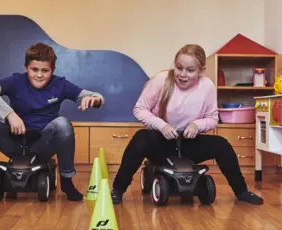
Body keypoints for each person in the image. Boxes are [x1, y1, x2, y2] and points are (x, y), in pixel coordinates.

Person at [110, 44, 264, 205]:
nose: (182, 75)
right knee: (141, 138)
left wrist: (197, 125)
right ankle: (118, 189)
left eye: (190, 70)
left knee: (222, 145)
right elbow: (139, 109)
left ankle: (242, 191)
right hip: (162, 142)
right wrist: (162, 126)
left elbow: (212, 118)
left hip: (189, 142)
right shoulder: (161, 80)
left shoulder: (207, 86)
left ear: (200, 71)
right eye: (179, 68)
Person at [0, 43, 104, 201]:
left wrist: (94, 99)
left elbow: (96, 97)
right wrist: (10, 115)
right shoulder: (16, 81)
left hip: (41, 144)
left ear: (52, 71)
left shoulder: (60, 84)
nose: (39, 75)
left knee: (63, 124)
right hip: (14, 141)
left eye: (45, 71)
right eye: (34, 70)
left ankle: (67, 182)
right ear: (27, 68)